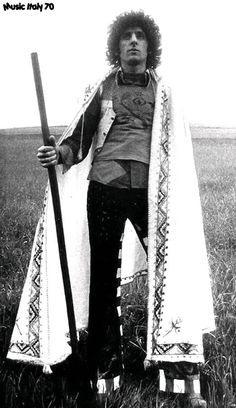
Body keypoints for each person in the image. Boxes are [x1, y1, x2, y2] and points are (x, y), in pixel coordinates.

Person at [8, 10, 215, 408]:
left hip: (152, 196)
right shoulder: (101, 88)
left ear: (150, 46)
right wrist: (60, 153)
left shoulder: (165, 93)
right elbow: (80, 140)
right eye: (127, 36)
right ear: (117, 46)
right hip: (102, 190)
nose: (134, 41)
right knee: (102, 282)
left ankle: (183, 384)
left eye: (140, 36)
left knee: (173, 274)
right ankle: (103, 378)